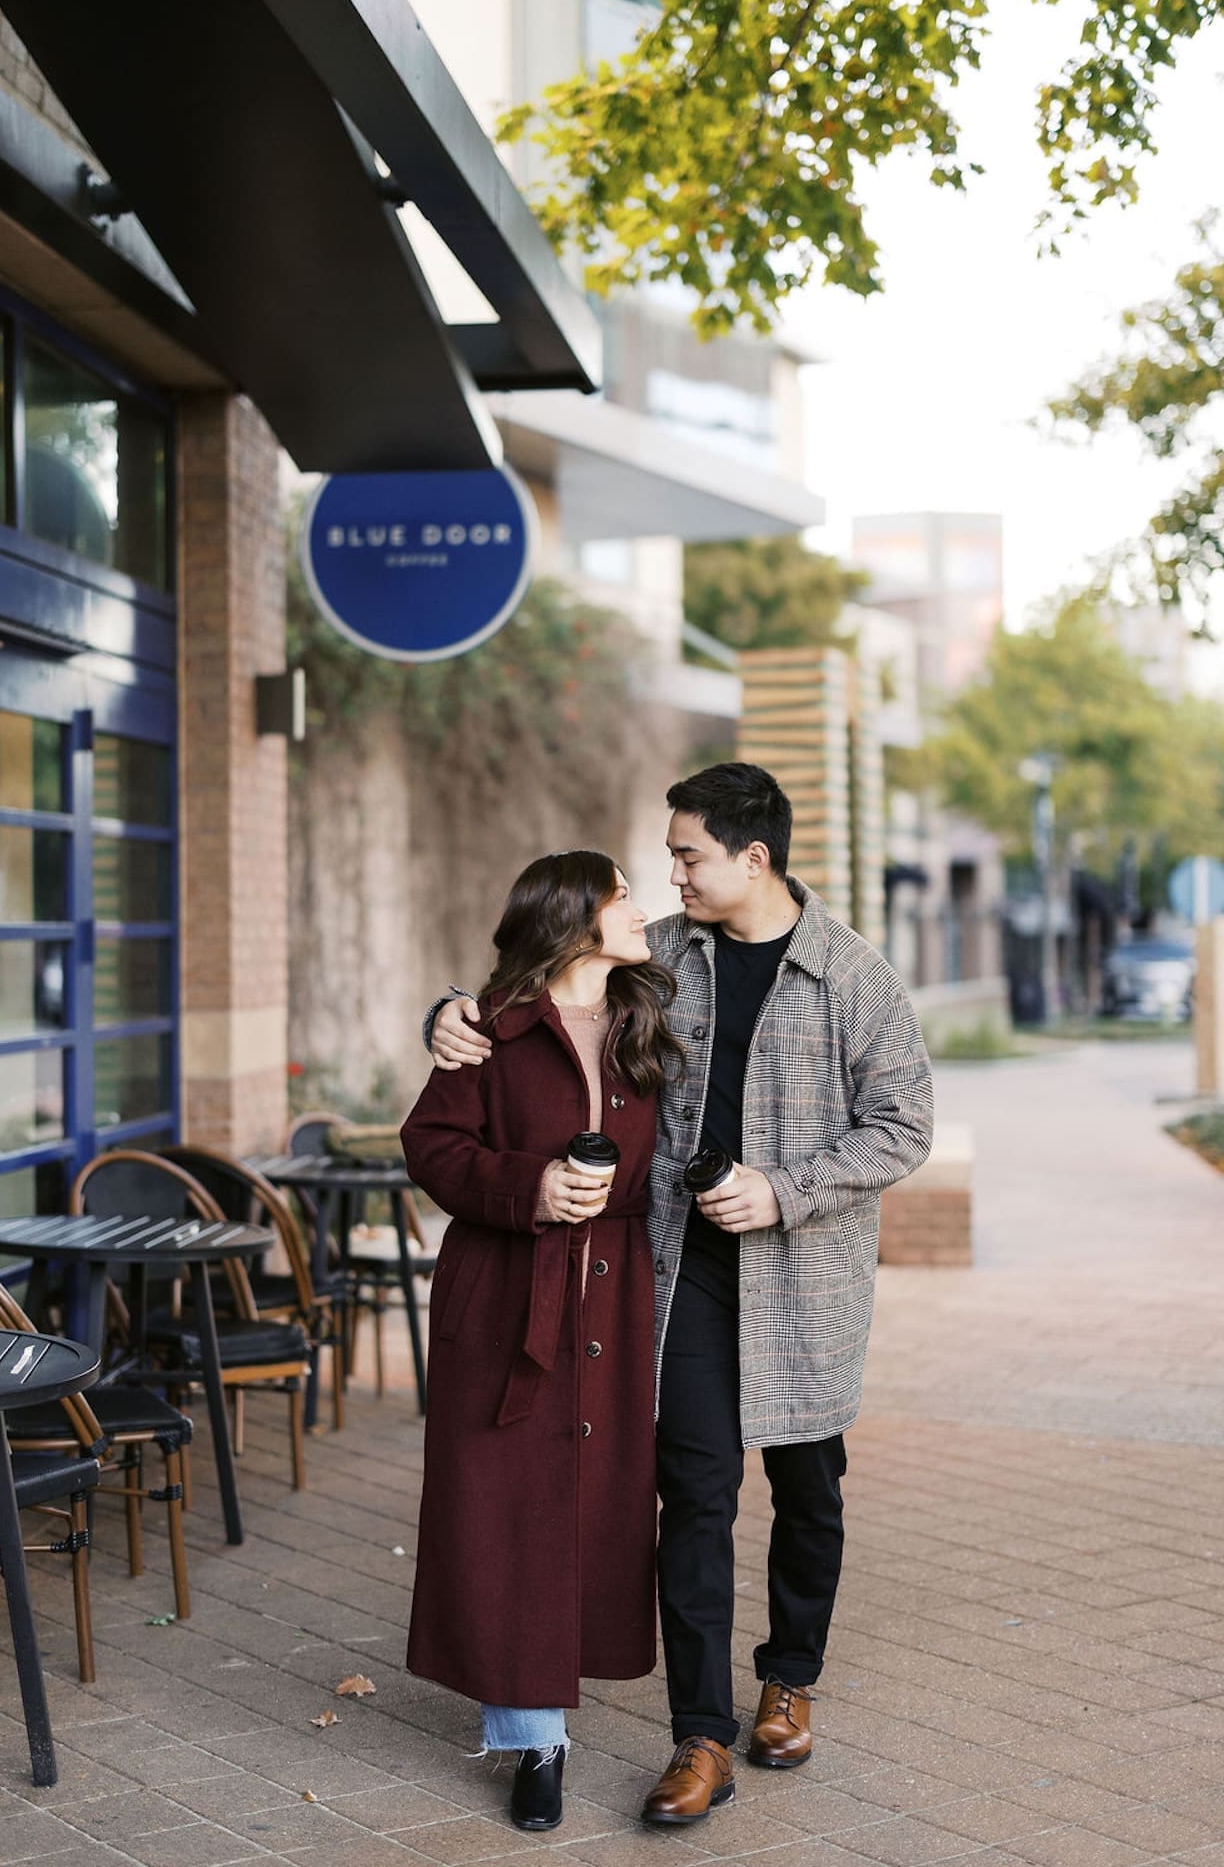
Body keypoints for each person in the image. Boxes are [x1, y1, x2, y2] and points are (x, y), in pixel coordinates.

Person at [428, 763, 933, 1825]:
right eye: (665, 858)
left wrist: (783, 1190)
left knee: (807, 1490)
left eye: (687, 855)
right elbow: (548, 982)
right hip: (682, 1275)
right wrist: (451, 1014)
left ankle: (787, 1677)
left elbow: (901, 1127)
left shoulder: (855, 977)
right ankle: (699, 1737)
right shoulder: (660, 955)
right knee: (692, 1497)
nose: (670, 875)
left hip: (802, 1273)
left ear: (752, 859)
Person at [401, 850, 683, 1834]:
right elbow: (430, 1147)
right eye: (619, 896)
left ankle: (547, 1705)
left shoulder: (650, 1012)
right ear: (573, 918)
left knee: (591, 1507)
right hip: (505, 1298)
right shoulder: (486, 1027)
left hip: (611, 1303)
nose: (640, 909)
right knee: (506, 1507)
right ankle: (532, 1742)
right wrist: (529, 1188)